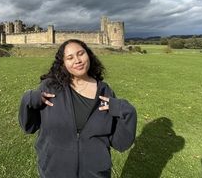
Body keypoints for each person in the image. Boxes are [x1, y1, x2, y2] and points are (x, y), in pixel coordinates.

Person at [19, 39, 137, 178]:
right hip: (53, 171)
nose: (77, 60)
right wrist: (28, 99)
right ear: (63, 63)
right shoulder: (50, 88)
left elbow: (120, 143)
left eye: (81, 53)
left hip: (95, 174)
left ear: (89, 55)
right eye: (70, 57)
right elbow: (28, 127)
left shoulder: (105, 92)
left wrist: (126, 110)